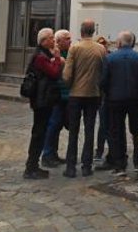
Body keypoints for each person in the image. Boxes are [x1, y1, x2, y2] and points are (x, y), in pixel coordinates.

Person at [62, 19, 106, 178]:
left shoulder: (75, 48)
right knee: (90, 130)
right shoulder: (101, 49)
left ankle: (71, 167)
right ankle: (87, 166)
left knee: (73, 131)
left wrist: (69, 85)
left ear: (81, 31)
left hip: (76, 94)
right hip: (93, 94)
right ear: (93, 31)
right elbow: (104, 72)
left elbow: (67, 74)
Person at [100, 30, 138, 177]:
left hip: (114, 99)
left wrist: (107, 93)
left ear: (119, 42)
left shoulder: (110, 58)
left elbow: (103, 80)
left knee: (116, 131)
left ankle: (120, 165)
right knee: (137, 131)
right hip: (135, 99)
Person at [23, 28, 64, 179]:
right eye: (51, 38)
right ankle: (31, 167)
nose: (54, 40)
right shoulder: (40, 57)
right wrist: (57, 59)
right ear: (44, 41)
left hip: (44, 98)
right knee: (39, 133)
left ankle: (33, 165)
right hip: (42, 100)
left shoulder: (44, 54)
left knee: (41, 132)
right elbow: (54, 73)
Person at [41, 29, 72, 167]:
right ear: (59, 41)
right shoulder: (53, 53)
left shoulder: (70, 52)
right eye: (67, 38)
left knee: (58, 125)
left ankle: (53, 153)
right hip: (57, 95)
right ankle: (47, 155)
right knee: (53, 125)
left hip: (67, 94)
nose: (70, 40)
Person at [94, 35, 112, 169]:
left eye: (104, 45)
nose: (103, 47)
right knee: (103, 125)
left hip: (108, 95)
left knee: (108, 124)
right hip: (101, 95)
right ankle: (99, 151)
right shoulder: (97, 58)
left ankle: (107, 151)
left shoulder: (110, 57)